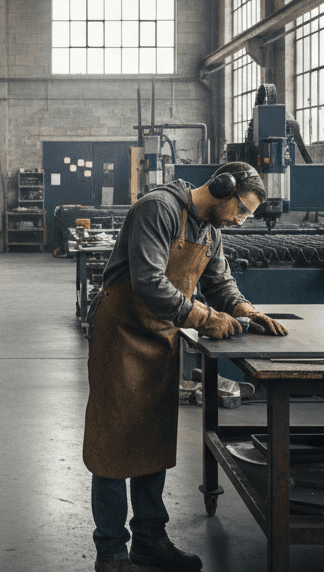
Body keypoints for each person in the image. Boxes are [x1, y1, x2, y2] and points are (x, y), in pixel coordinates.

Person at [82, 162, 290, 572]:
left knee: (152, 440)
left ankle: (149, 540)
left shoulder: (210, 230)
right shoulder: (157, 209)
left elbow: (220, 281)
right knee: (113, 444)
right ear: (220, 187)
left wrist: (242, 307)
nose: (240, 220)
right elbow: (149, 283)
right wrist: (207, 319)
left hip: (160, 336)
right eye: (242, 210)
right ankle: (110, 552)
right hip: (121, 332)